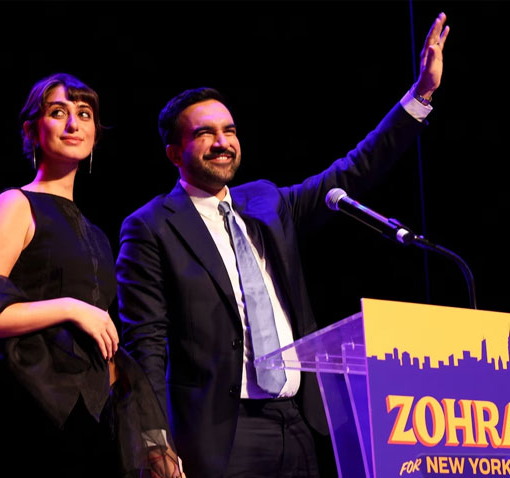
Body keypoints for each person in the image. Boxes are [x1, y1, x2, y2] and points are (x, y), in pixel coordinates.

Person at [115, 13, 450, 478]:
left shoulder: (267, 202)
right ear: (174, 152)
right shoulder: (150, 227)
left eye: (229, 131)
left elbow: (353, 170)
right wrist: (153, 441)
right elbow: (145, 342)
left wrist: (420, 96)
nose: (222, 143)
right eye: (204, 133)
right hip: (221, 432)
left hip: (297, 421)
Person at [0, 73, 181, 478]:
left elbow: (103, 342)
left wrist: (155, 444)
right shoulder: (15, 205)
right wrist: (69, 307)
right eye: (58, 112)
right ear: (32, 131)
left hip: (87, 418)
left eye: (84, 114)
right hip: (23, 412)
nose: (73, 123)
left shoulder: (99, 235)